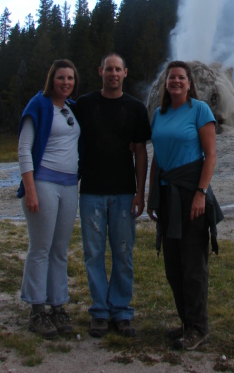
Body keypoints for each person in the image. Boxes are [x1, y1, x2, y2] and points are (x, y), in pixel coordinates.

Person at [148, 61, 223, 351]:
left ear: (190, 83)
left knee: (193, 265)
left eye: (181, 77)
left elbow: (211, 155)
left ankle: (199, 327)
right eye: (172, 77)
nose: (176, 81)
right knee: (173, 266)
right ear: (166, 83)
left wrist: (201, 193)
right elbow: (157, 157)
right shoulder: (160, 113)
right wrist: (153, 194)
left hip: (192, 193)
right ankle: (186, 322)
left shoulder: (200, 110)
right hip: (168, 195)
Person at [75, 52, 151, 338]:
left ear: (126, 73)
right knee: (93, 253)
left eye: (118, 69)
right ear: (100, 71)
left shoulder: (135, 108)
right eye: (109, 69)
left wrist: (140, 193)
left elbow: (141, 151)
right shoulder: (84, 105)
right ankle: (99, 311)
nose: (113, 74)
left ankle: (121, 311)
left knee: (123, 253)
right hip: (91, 191)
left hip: (123, 192)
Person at [17, 59, 80, 339]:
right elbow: (24, 149)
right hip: (42, 183)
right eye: (60, 78)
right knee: (40, 247)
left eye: (70, 78)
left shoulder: (71, 109)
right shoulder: (39, 105)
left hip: (69, 185)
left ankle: (58, 305)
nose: (65, 82)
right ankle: (37, 310)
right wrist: (29, 189)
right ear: (51, 80)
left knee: (59, 248)